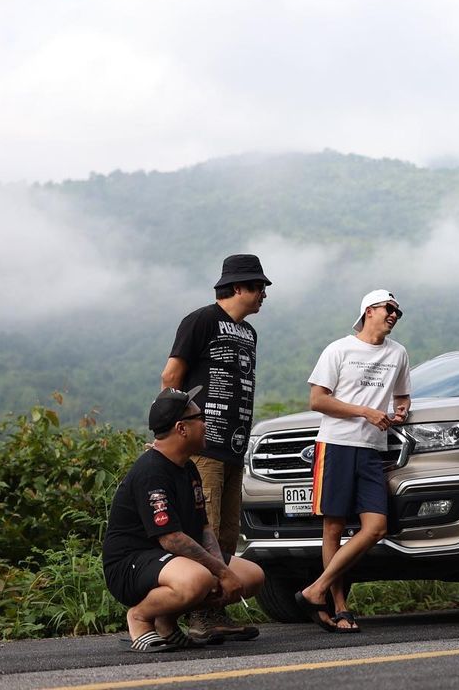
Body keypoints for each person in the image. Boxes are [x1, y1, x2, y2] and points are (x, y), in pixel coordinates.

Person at [102, 386, 264, 652]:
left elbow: (203, 527)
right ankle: (141, 617)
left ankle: (167, 620)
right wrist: (220, 572)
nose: (205, 423)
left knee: (251, 576)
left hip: (170, 561)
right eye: (200, 418)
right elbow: (170, 538)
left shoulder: (187, 466)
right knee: (199, 579)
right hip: (132, 563)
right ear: (181, 428)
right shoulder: (151, 471)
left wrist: (222, 570)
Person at [160, 253, 270, 642]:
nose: (262, 295)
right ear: (237, 287)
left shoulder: (249, 334)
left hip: (233, 446)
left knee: (225, 533)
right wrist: (173, 432)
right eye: (258, 287)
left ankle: (214, 611)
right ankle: (190, 615)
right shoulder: (202, 319)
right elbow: (171, 376)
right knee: (201, 527)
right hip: (203, 447)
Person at [296, 289, 411, 632]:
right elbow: (318, 400)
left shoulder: (398, 353)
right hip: (337, 445)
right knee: (333, 527)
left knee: (375, 527)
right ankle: (339, 605)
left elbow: (402, 394)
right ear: (369, 310)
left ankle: (315, 590)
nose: (393, 315)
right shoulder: (339, 349)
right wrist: (364, 411)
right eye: (389, 309)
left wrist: (402, 409)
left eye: (397, 312)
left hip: (373, 449)